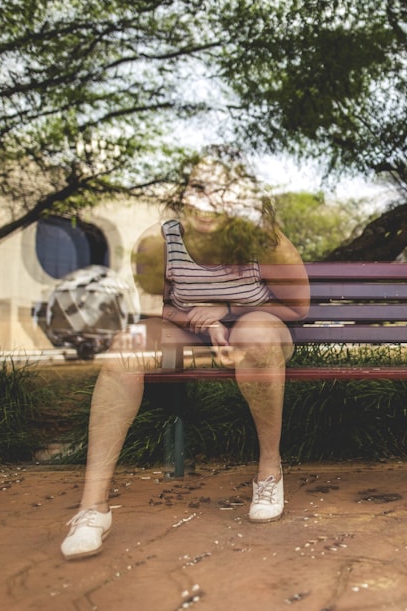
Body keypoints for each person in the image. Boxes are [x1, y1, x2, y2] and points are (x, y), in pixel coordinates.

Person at [60, 147, 309, 560]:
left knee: (256, 336)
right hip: (189, 331)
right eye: (198, 187)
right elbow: (160, 307)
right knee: (126, 347)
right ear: (184, 190)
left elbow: (297, 308)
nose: (206, 201)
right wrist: (200, 319)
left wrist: (228, 311)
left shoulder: (264, 241)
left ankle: (269, 470)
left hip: (258, 325)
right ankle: (92, 508)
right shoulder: (159, 242)